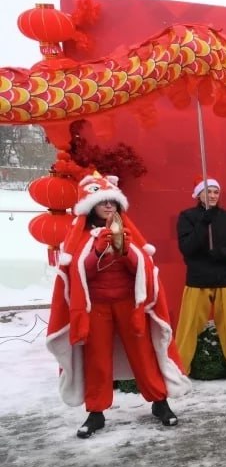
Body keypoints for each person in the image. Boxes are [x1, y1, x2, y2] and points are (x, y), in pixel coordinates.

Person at [45, 172, 191, 438]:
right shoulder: (80, 236)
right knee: (97, 359)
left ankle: (160, 403)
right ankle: (96, 412)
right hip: (96, 307)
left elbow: (143, 270)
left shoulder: (128, 232)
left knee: (143, 354)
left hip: (128, 305)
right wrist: (98, 251)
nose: (109, 206)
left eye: (113, 202)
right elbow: (78, 275)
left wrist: (125, 252)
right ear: (92, 207)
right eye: (104, 202)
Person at [175, 177, 226, 386]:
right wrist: (204, 222)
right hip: (198, 280)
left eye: (215, 192)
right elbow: (187, 248)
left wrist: (222, 253)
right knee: (189, 326)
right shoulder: (187, 217)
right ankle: (179, 369)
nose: (212, 196)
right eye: (208, 192)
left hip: (225, 279)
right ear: (199, 194)